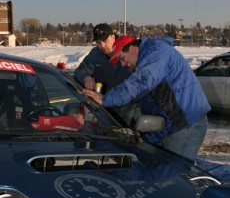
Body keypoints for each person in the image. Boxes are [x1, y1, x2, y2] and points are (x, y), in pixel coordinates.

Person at [83, 35, 211, 162]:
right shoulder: (145, 61)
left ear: (132, 48)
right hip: (170, 125)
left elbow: (140, 83)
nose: (122, 64)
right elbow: (145, 98)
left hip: (186, 123)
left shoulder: (157, 53)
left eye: (122, 58)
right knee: (158, 172)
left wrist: (106, 99)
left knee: (175, 174)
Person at [74, 23, 138, 126]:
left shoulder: (127, 50)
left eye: (105, 41)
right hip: (102, 106)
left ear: (113, 37)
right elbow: (80, 71)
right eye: (99, 42)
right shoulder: (96, 54)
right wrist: (86, 77)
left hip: (127, 106)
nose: (102, 46)